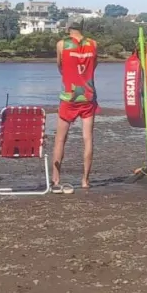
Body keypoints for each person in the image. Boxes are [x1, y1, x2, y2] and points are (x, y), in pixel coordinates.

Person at [52, 19, 98, 190]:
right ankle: (85, 180)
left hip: (69, 97)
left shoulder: (62, 44)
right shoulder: (93, 44)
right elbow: (94, 66)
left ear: (68, 28)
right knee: (88, 139)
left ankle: (56, 179)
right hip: (88, 96)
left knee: (60, 140)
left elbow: (60, 65)